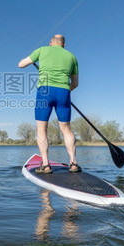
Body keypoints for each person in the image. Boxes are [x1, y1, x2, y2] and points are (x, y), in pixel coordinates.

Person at [18, 34, 80, 174]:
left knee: (41, 129)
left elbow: (21, 65)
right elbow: (75, 84)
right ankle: (74, 163)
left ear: (51, 42)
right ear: (63, 44)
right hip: (64, 92)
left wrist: (34, 59)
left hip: (44, 92)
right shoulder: (72, 57)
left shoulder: (42, 50)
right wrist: (64, 92)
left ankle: (45, 165)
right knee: (66, 128)